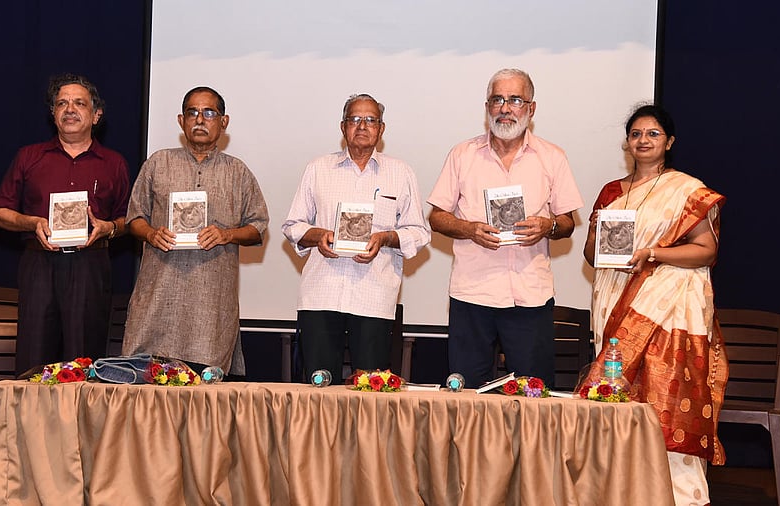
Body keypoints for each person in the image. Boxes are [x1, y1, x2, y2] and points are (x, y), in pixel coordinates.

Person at [581, 104, 727, 504]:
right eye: (636, 134)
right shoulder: (612, 191)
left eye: (653, 134)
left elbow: (706, 251)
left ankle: (674, 494)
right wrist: (597, 231)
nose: (643, 140)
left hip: (665, 310)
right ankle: (621, 491)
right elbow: (593, 257)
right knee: (617, 398)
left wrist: (656, 253)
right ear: (626, 142)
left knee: (663, 395)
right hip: (614, 301)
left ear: (669, 141)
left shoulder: (686, 190)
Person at [427, 69, 583, 388]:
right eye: (498, 99)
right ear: (487, 107)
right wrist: (469, 229)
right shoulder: (462, 154)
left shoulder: (552, 157)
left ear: (531, 108)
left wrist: (548, 225)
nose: (506, 107)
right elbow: (437, 217)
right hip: (472, 292)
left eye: (515, 99)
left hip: (530, 295)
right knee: (466, 393)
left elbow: (567, 223)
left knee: (533, 395)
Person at [282, 93, 430, 383]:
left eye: (370, 120)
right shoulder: (318, 168)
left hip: (374, 295)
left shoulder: (400, 173)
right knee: (319, 387)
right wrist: (318, 236)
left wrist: (386, 237)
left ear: (381, 128)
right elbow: (292, 225)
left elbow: (420, 232)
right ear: (342, 127)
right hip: (321, 294)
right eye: (355, 119)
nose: (362, 126)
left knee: (370, 389)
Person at [122, 86, 269, 376]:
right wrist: (151, 234)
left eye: (209, 113)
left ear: (223, 122)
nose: (200, 119)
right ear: (181, 120)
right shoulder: (158, 163)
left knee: (206, 396)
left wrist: (227, 235)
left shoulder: (238, 172)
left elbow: (257, 228)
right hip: (158, 298)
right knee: (149, 390)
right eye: (193, 112)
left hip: (210, 304)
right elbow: (134, 218)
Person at [0, 73, 131, 374]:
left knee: (85, 358)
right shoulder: (29, 157)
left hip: (90, 265)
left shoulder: (114, 163)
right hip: (39, 263)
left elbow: (129, 221)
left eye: (79, 103)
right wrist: (31, 222)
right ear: (53, 114)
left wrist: (110, 228)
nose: (70, 109)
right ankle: (29, 421)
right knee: (33, 358)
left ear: (96, 115)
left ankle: (82, 421)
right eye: (62, 103)